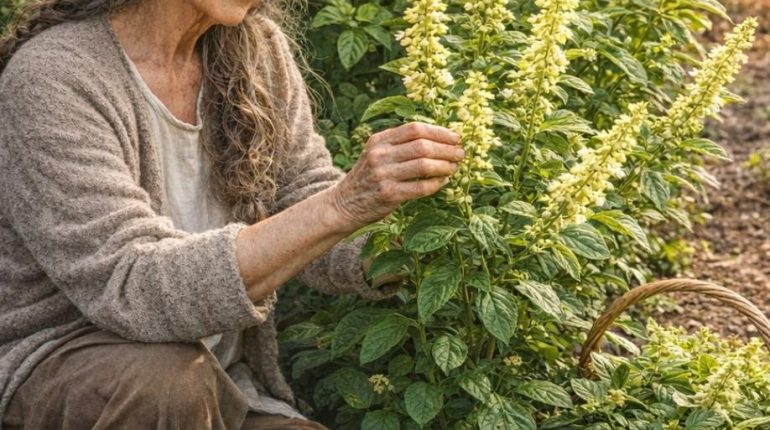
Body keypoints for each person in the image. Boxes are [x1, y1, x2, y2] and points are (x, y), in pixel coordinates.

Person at [0, 0, 465, 428]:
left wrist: (410, 252)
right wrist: (344, 205)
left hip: (220, 379)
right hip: (67, 366)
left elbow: (301, 198)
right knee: (165, 383)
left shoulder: (255, 48)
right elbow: (130, 285)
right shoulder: (54, 76)